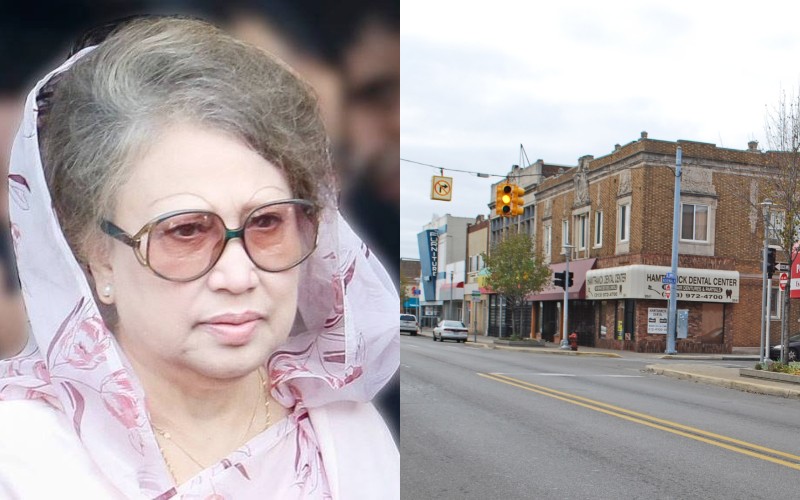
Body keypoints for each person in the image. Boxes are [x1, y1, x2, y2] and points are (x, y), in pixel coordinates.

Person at [0, 17, 398, 499]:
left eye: (267, 222)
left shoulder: (347, 432)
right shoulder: (22, 458)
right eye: (185, 230)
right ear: (97, 254)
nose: (238, 275)